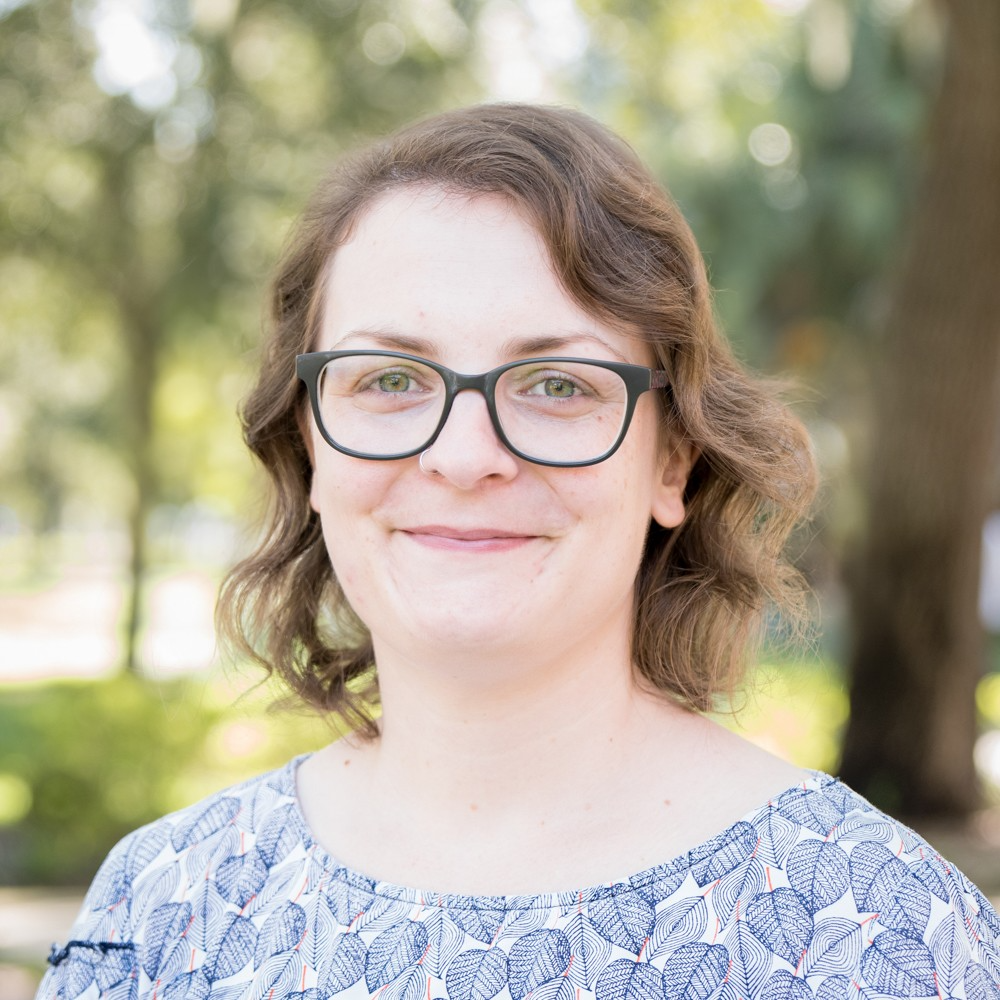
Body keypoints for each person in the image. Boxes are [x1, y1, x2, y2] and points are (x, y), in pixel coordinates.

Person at [39, 104, 999, 1000]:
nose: (463, 457)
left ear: (672, 458)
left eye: (555, 384)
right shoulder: (163, 917)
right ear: (308, 443)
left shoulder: (879, 932)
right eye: (389, 379)